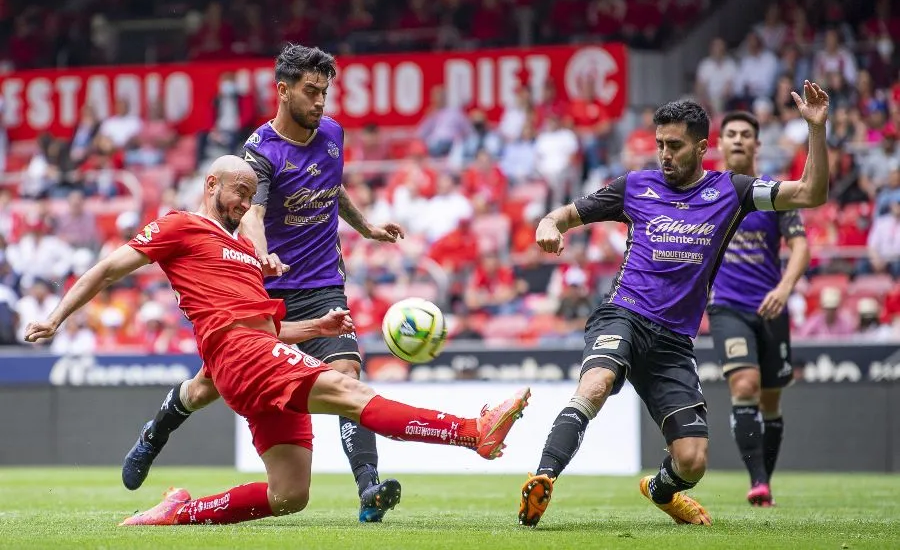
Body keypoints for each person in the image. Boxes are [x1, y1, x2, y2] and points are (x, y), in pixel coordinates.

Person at [24, 155, 530, 527]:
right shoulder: (181, 226)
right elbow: (109, 268)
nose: (246, 203)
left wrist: (315, 330)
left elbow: (264, 327)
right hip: (239, 357)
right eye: (238, 192)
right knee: (351, 394)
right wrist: (56, 317)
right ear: (211, 184)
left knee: (290, 495)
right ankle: (471, 432)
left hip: (253, 356)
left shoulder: (245, 251)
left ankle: (180, 513)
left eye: (251, 195)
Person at [517, 81, 830, 528]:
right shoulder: (635, 186)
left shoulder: (732, 191)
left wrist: (816, 131)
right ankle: (542, 478)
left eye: (675, 145)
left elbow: (810, 194)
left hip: (674, 342)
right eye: (660, 143)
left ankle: (660, 489)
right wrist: (549, 223)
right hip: (623, 314)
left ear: (702, 147)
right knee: (597, 384)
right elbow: (567, 214)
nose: (664, 154)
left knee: (693, 460)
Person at [121, 44, 410, 523]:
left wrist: (366, 227)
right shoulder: (260, 151)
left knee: (347, 376)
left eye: (325, 92)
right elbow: (252, 212)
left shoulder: (333, 133)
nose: (320, 102)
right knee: (203, 390)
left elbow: (331, 185)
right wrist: (262, 253)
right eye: (311, 91)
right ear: (283, 90)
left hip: (322, 282)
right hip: (267, 288)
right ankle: (157, 430)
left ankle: (369, 488)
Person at [706, 111, 811, 507]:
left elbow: (801, 246)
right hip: (727, 307)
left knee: (770, 400)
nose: (736, 140)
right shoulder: (707, 193)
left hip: (771, 308)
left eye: (745, 135)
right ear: (719, 144)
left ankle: (765, 479)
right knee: (744, 386)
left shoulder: (772, 194)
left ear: (756, 145)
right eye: (730, 134)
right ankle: (757, 482)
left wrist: (785, 289)